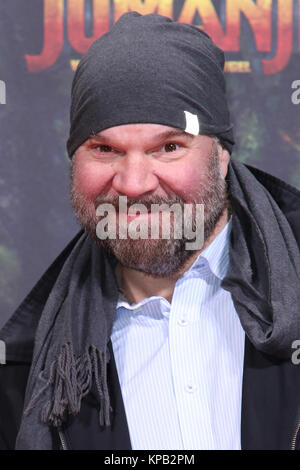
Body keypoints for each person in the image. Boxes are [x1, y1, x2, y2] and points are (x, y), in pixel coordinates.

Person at [1, 11, 300, 451]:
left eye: (169, 147)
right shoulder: (28, 373)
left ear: (220, 158)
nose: (134, 183)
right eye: (104, 149)